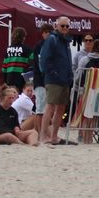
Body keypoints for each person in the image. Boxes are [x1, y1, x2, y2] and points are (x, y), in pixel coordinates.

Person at [38, 17, 74, 145]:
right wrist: (52, 72)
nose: (65, 28)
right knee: (50, 106)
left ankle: (54, 136)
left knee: (61, 108)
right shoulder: (52, 39)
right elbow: (44, 59)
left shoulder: (65, 42)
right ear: (56, 26)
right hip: (54, 79)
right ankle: (43, 136)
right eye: (62, 26)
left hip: (64, 79)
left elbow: (67, 61)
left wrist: (70, 76)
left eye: (67, 26)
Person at [2, 27, 32, 91]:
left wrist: (5, 80)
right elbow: (33, 64)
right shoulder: (27, 49)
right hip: (22, 78)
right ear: (23, 37)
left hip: (9, 78)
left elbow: (4, 67)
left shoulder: (8, 49)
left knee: (12, 97)